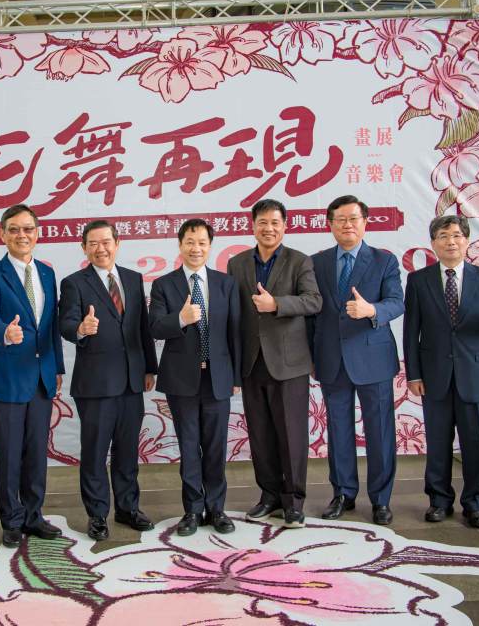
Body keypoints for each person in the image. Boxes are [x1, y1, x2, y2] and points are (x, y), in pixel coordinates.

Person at [403, 215, 479, 529]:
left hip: (472, 374)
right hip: (433, 376)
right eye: (443, 236)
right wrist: (413, 374)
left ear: (466, 240)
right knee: (437, 443)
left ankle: (475, 504)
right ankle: (439, 501)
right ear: (433, 243)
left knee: (474, 444)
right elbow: (411, 331)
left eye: (456, 235)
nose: (450, 241)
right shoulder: (419, 280)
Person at [59, 220, 158, 541]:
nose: (100, 249)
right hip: (96, 384)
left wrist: (149, 367)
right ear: (84, 247)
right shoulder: (74, 283)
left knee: (127, 452)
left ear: (117, 243)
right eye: (93, 243)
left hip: (132, 381)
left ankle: (128, 508)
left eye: (106, 242)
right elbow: (66, 322)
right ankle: (97, 514)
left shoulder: (132, 278)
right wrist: (80, 329)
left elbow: (142, 326)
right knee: (95, 453)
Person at [309, 195, 404, 526]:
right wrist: (311, 356)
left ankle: (381, 499)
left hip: (373, 358)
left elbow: (396, 302)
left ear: (365, 222)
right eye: (340, 219)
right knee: (338, 431)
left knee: (380, 431)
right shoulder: (316, 263)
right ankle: (343, 493)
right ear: (330, 224)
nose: (347, 225)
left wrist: (371, 310)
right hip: (330, 359)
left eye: (353, 218)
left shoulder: (384, 260)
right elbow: (311, 315)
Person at [227, 199, 322, 528]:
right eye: (262, 222)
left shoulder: (299, 261)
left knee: (291, 435)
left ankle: (293, 502)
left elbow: (314, 301)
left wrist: (276, 304)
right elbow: (235, 313)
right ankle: (268, 495)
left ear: (285, 226)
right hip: (252, 362)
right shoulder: (237, 263)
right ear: (252, 225)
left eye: (275, 223)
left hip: (289, 363)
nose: (269, 228)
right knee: (260, 435)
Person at [0, 204, 65, 547]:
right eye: (14, 229)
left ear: (37, 234)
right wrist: (4, 332)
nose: (22, 235)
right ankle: (11, 520)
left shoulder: (46, 273)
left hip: (41, 377)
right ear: (2, 234)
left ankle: (33, 515)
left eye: (28, 229)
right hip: (7, 378)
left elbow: (51, 326)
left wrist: (56, 367)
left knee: (36, 453)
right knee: (10, 456)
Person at [150, 219, 241, 537]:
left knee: (216, 447)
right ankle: (192, 510)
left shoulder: (225, 284)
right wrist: (181, 318)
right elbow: (155, 327)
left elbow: (235, 332)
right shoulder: (163, 284)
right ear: (180, 245)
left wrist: (236, 376)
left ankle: (216, 508)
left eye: (202, 242)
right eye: (190, 242)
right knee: (189, 447)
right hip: (181, 380)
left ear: (210, 246)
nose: (196, 248)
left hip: (217, 378)